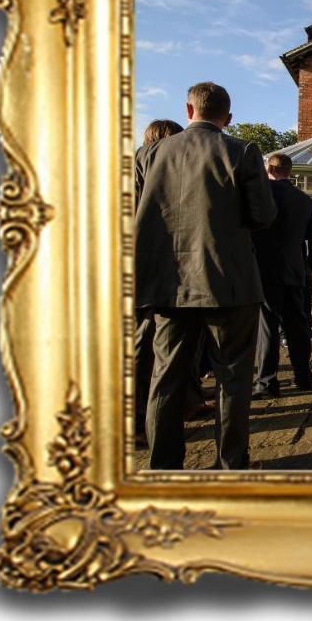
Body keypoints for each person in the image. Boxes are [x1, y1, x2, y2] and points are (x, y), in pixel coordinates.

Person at [134, 82, 276, 469]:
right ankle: (230, 463)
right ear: (227, 118)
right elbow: (263, 215)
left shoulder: (149, 154)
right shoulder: (242, 151)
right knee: (232, 379)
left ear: (188, 109)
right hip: (227, 280)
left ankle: (164, 465)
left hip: (167, 284)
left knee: (165, 377)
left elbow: (136, 215)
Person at [133, 119, 185, 447]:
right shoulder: (153, 165)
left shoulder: (139, 163)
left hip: (148, 268)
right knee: (146, 344)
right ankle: (140, 419)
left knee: (152, 344)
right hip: (152, 269)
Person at [252, 152, 312, 398]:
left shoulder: (262, 194)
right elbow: (309, 234)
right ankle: (303, 376)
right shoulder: (304, 200)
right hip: (294, 267)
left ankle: (267, 381)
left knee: (267, 325)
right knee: (297, 324)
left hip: (266, 268)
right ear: (290, 171)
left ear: (269, 169)